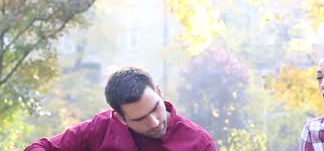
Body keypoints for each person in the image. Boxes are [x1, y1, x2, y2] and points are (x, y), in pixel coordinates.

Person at [25, 66, 217, 150]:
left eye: (155, 109)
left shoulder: (199, 142)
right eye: (140, 119)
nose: (154, 122)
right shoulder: (101, 128)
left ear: (159, 92)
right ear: (120, 118)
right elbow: (40, 147)